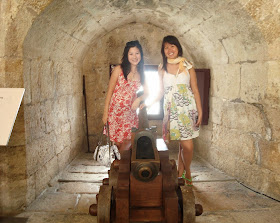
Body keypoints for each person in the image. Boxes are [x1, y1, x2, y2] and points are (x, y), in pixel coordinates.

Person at [146, 35, 202, 185]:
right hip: (172, 110)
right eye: (166, 47)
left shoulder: (188, 66)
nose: (170, 50)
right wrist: (147, 103)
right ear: (163, 51)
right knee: (182, 144)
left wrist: (200, 111)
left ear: (178, 48)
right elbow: (160, 92)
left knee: (187, 145)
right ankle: (180, 173)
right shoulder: (161, 68)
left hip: (188, 109)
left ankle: (187, 170)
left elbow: (195, 90)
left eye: (172, 46)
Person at [102, 40, 148, 152]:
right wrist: (105, 113)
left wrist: (139, 99)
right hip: (115, 113)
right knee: (117, 145)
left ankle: (124, 167)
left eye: (137, 53)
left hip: (130, 114)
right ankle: (119, 167)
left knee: (128, 145)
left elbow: (148, 92)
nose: (134, 56)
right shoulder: (118, 70)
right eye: (131, 53)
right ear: (126, 55)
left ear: (141, 55)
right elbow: (109, 92)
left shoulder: (141, 72)